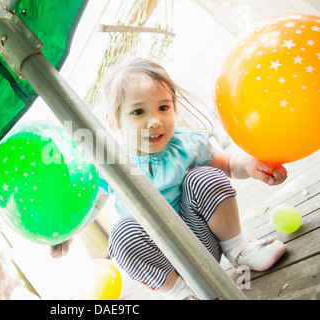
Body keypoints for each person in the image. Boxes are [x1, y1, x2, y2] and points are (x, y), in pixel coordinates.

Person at [51, 58, 288, 300]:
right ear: (114, 120)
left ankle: (239, 249)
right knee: (121, 233)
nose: (155, 121)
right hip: (165, 265)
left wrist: (250, 164)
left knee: (203, 177)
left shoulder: (185, 144)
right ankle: (181, 294)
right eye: (139, 111)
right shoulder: (112, 165)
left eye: (163, 107)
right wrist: (66, 234)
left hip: (203, 242)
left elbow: (227, 164)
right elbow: (91, 204)